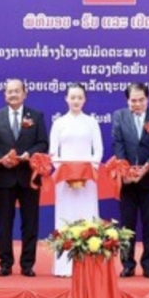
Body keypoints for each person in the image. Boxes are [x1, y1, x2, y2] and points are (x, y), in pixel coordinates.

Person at [0, 79, 49, 277]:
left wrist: (29, 154)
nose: (13, 94)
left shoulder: (37, 116)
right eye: (9, 92)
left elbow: (43, 143)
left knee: (30, 222)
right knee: (4, 222)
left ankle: (27, 264)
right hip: (5, 178)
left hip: (28, 177)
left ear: (25, 93)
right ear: (5, 95)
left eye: (16, 91)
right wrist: (0, 158)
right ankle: (5, 263)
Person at [111, 83, 149, 278]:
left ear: (148, 99)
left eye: (141, 100)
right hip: (127, 180)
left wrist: (147, 166)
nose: (137, 104)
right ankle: (128, 264)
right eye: (133, 100)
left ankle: (148, 264)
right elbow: (117, 144)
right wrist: (124, 169)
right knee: (127, 225)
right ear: (127, 101)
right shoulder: (119, 116)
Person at [48, 84, 103, 278]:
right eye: (72, 97)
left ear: (85, 99)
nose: (76, 101)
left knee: (87, 216)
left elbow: (98, 152)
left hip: (88, 181)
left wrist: (85, 170)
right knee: (66, 218)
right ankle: (64, 266)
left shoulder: (91, 122)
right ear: (66, 99)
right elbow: (53, 154)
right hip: (65, 181)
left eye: (80, 97)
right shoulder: (59, 123)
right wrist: (67, 170)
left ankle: (89, 263)